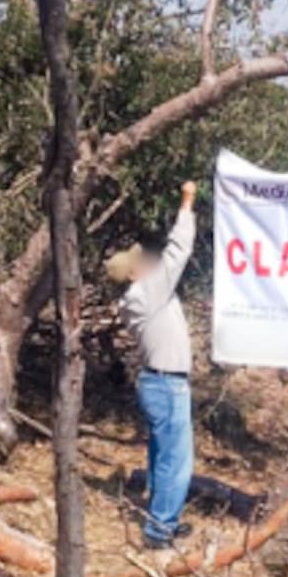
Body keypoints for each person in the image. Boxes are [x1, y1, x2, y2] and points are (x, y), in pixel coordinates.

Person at [105, 181, 197, 549]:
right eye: (139, 261)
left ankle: (160, 519)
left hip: (158, 383)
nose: (146, 260)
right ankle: (160, 531)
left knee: (163, 454)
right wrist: (186, 202)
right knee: (176, 460)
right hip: (167, 385)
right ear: (132, 274)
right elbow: (179, 251)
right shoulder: (147, 292)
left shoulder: (139, 297)